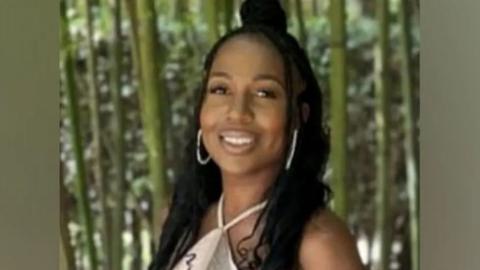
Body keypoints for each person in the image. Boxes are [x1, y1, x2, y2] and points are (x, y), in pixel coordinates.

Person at [149, 0, 363, 269]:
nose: (238, 112)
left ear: (299, 116)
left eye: (265, 93)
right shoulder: (179, 220)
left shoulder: (318, 243)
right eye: (220, 89)